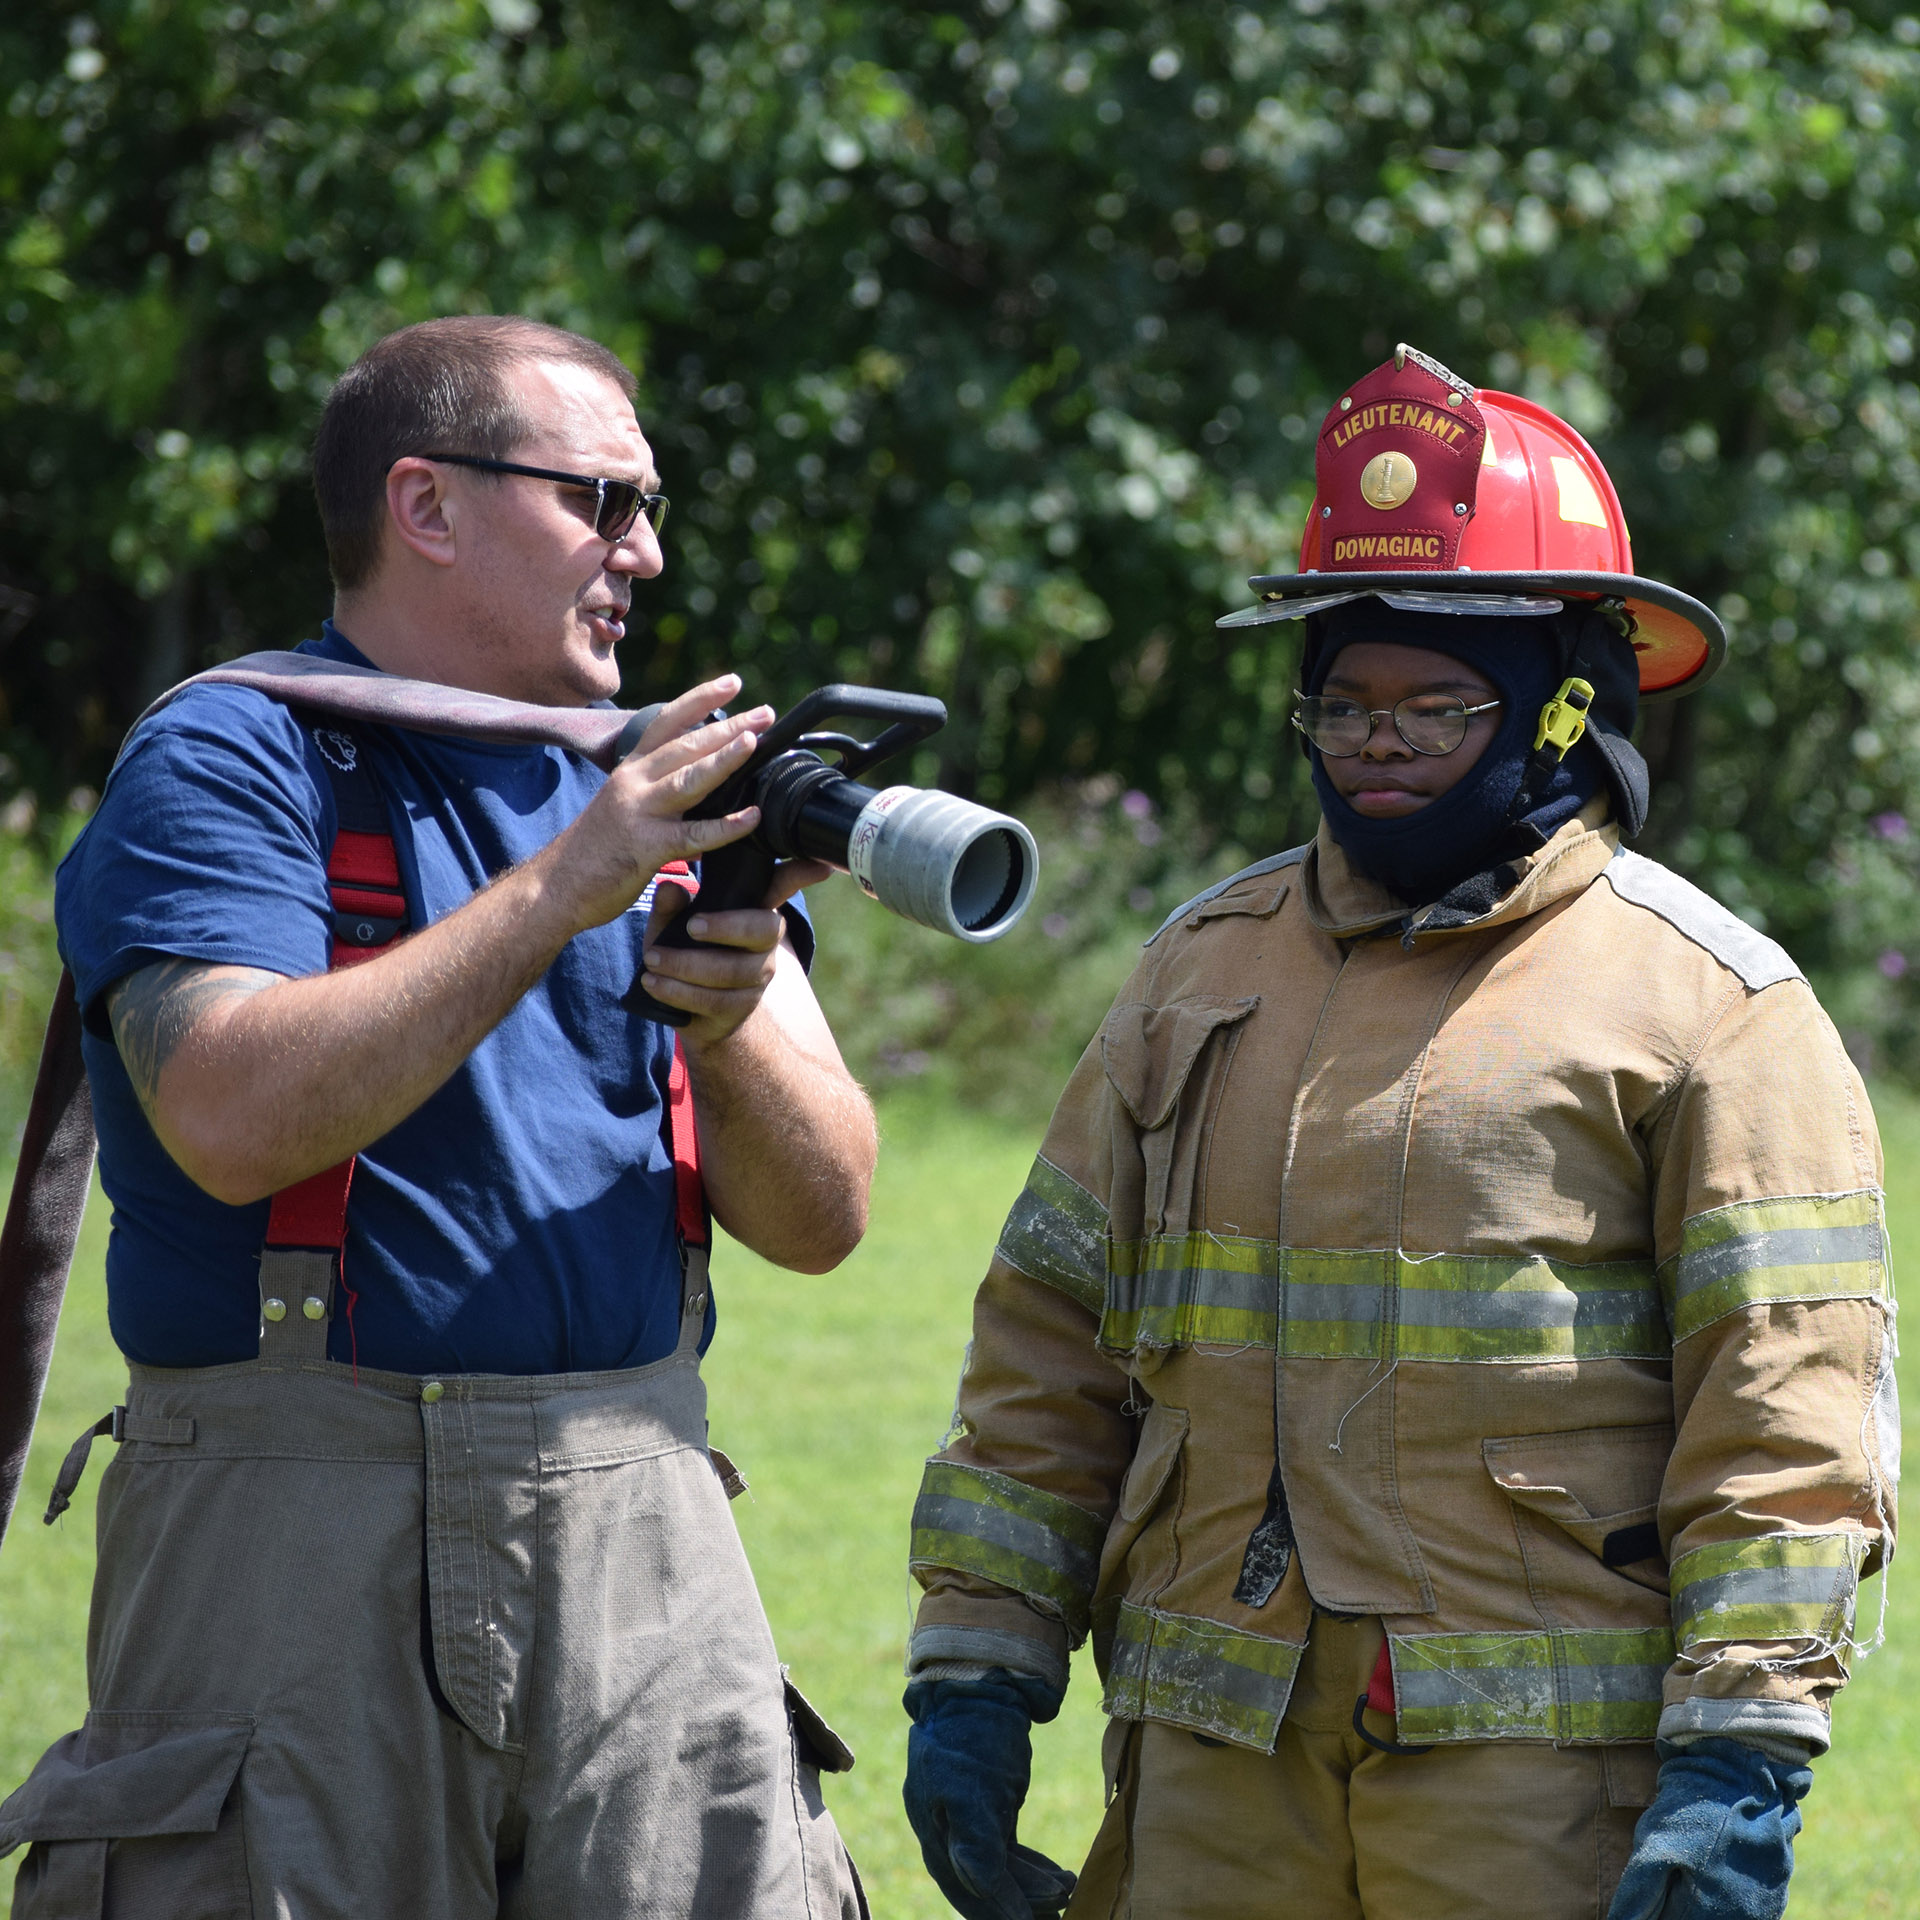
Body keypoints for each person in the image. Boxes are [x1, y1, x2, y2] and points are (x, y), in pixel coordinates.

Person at [900, 346, 1897, 1920]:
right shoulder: (1190, 973)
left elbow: (1786, 1427)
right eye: (1343, 703)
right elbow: (1047, 1345)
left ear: (1571, 709)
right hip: (1209, 1753)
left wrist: (1737, 1770)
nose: (1374, 744)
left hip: (1537, 1784)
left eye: (1437, 706)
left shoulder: (1715, 1006)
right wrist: (976, 1667)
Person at [0, 315, 875, 1917]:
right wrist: (570, 885)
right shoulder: (229, 751)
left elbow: (824, 1222)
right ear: (427, 504)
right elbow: (228, 1112)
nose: (649, 556)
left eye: (651, 507)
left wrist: (727, 1013)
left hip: (647, 1510)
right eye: (605, 502)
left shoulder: (652, 786)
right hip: (291, 1526)